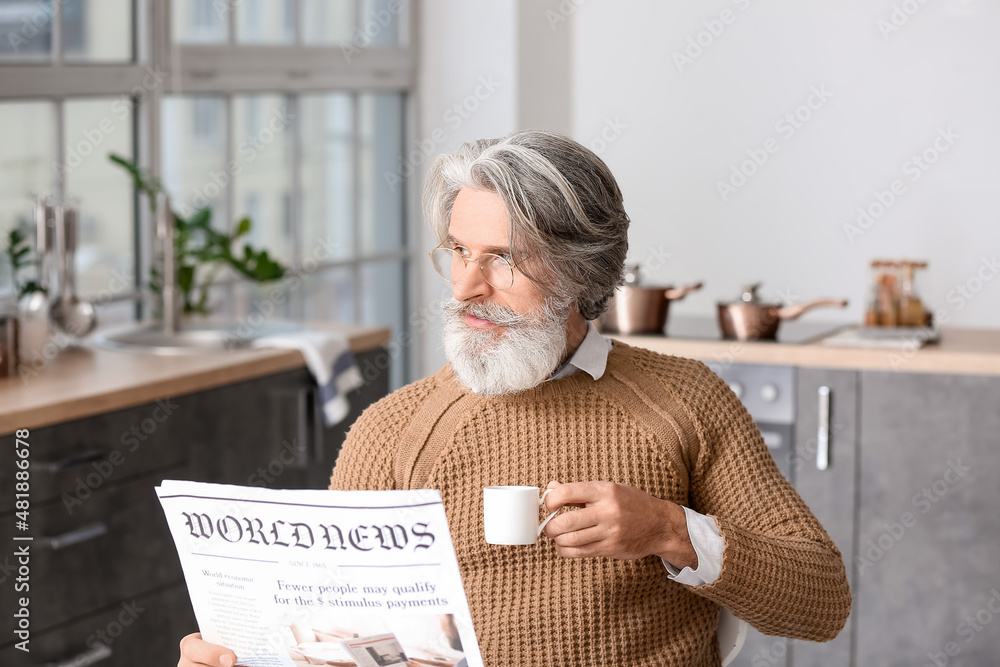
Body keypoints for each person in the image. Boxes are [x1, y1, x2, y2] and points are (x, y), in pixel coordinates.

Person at [178, 130, 851, 667]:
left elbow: (821, 602)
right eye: (458, 250)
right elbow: (340, 643)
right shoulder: (391, 432)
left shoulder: (684, 399)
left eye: (502, 258)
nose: (466, 286)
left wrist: (671, 530)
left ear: (580, 267)